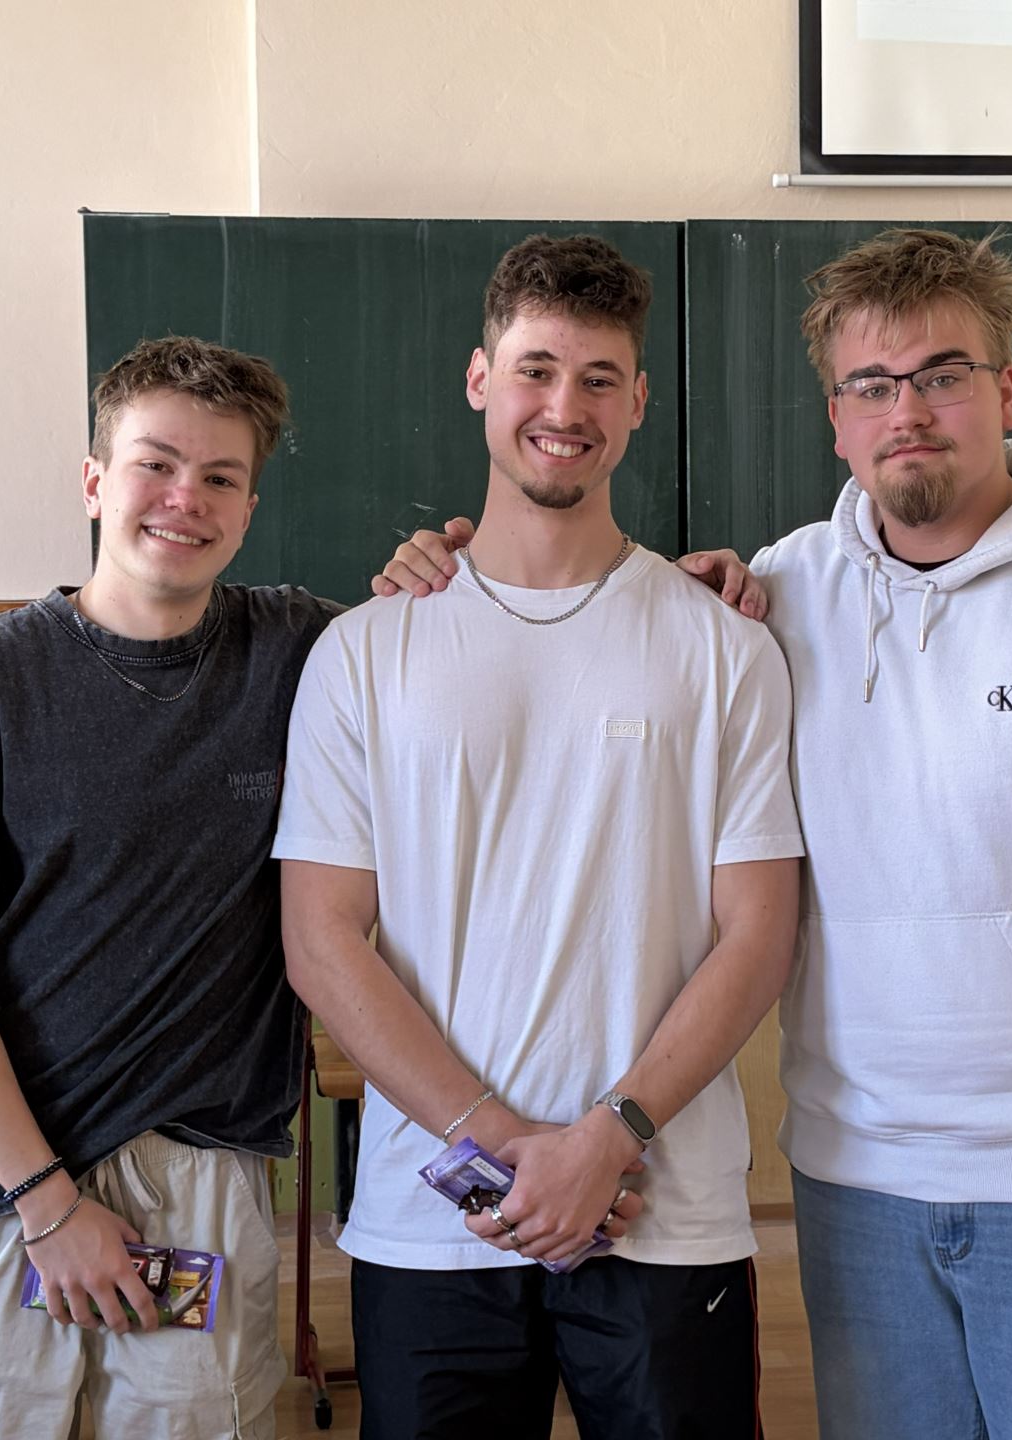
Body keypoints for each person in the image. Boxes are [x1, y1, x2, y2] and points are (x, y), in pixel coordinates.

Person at [376, 227, 1012, 1438]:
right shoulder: (781, 595)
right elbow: (603, 618)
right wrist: (446, 566)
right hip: (858, 1185)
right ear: (836, 419)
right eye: (872, 385)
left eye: (944, 375)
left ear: (1007, 392)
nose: (909, 412)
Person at [274, 232, 804, 1439]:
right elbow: (322, 939)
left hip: (661, 1212)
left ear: (639, 401)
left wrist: (609, 1138)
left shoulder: (726, 647)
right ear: (480, 379)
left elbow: (759, 936)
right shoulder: (364, 651)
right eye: (536, 370)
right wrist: (507, 1144)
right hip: (434, 1216)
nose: (566, 408)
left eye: (600, 378)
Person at [0, 337, 337, 1438]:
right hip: (5, 1184)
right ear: (93, 480)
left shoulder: (300, 651)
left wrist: (690, 585)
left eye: (219, 477)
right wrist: (44, 1202)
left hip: (197, 1176)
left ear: (250, 507)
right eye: (154, 464)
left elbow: (474, 628)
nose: (184, 499)